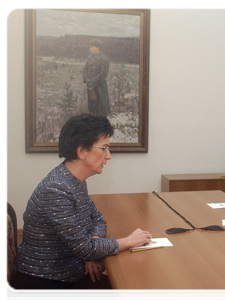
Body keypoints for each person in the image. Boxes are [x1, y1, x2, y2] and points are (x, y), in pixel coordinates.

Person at [12, 114, 151, 300]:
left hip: (67, 274)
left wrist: (91, 248)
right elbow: (85, 248)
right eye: (104, 148)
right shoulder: (57, 189)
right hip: (46, 285)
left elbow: (98, 220)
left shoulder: (74, 181)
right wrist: (128, 241)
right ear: (81, 151)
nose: (108, 156)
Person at [83, 39, 110, 116]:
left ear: (98, 48)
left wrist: (92, 81)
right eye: (90, 47)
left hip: (100, 87)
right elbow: (84, 69)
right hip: (91, 87)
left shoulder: (104, 59)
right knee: (92, 109)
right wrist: (86, 79)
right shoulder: (89, 58)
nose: (90, 48)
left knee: (101, 109)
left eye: (92, 47)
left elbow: (103, 74)